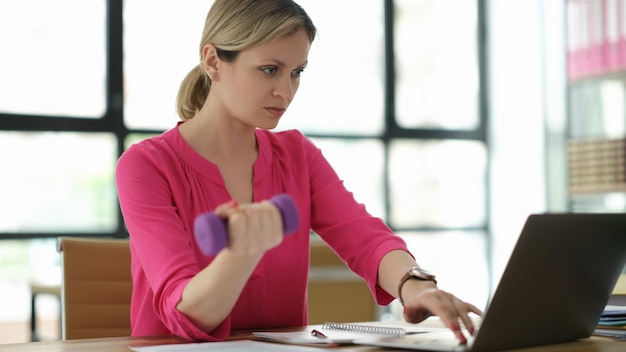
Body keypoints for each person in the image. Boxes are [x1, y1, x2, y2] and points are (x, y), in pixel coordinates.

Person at [115, 0, 481, 344]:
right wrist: (242, 252)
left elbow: (364, 236)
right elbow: (187, 313)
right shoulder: (145, 166)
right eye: (270, 70)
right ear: (213, 61)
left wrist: (414, 284)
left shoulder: (296, 155)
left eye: (297, 73)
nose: (285, 91)